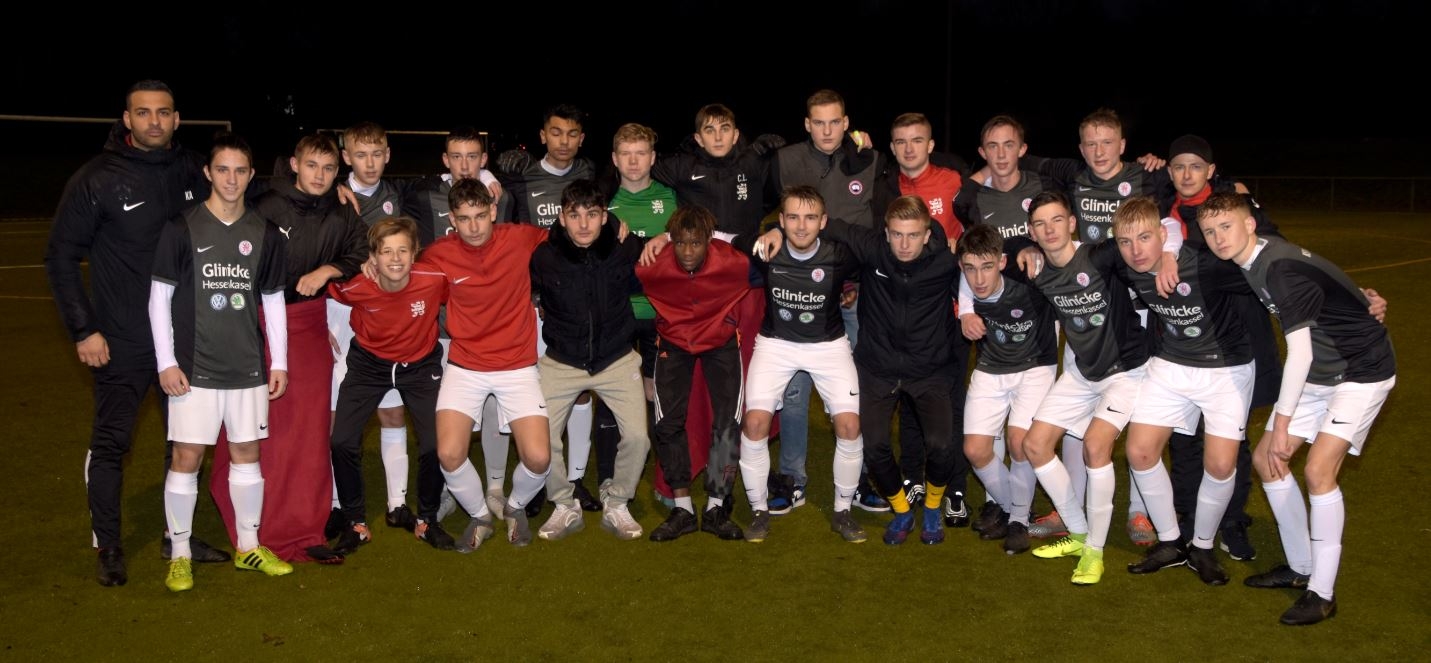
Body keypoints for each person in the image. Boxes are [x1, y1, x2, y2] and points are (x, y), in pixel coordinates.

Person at [45, 80, 229, 587]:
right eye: (143, 113)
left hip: (185, 339)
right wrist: (84, 328)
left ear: (176, 119)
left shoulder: (195, 170)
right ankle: (109, 545)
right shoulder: (97, 178)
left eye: (163, 112)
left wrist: (333, 190)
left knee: (185, 442)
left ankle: (177, 536)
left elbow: (247, 197)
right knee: (111, 443)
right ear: (127, 119)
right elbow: (60, 256)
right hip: (121, 339)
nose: (154, 121)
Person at [1199, 192, 1396, 626]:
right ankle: (1300, 566)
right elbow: (1326, 278)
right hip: (1321, 372)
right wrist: (1362, 297)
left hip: (1361, 370)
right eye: (1210, 231)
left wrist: (1283, 423)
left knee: (1318, 471)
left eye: (1226, 226)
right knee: (1267, 461)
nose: (1218, 238)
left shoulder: (1278, 268)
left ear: (1250, 224)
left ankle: (1322, 593)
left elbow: (1300, 354)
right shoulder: (1251, 258)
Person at [212, 133, 368, 562]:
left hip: (311, 326)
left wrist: (327, 270)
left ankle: (306, 526)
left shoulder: (342, 209)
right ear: (295, 165)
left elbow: (361, 251)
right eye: (311, 165)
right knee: (267, 430)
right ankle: (257, 525)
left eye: (329, 168)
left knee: (310, 433)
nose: (320, 175)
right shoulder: (264, 204)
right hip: (260, 327)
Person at [149, 133, 293, 591]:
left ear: (251, 175)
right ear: (208, 173)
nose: (231, 179)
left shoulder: (265, 233)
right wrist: (166, 362)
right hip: (194, 369)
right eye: (223, 169)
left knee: (247, 454)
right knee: (186, 456)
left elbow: (273, 301)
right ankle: (180, 552)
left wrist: (279, 362)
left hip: (247, 367)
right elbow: (159, 299)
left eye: (240, 170)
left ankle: (249, 547)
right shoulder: (181, 227)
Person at [1014, 191, 1180, 585]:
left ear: (1072, 223)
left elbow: (1155, 231)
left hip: (1126, 372)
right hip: (1083, 372)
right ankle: (1077, 532)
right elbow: (999, 250)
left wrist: (1170, 254)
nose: (1049, 230)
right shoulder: (1036, 271)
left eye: (1057, 220)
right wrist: (1020, 247)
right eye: (1040, 224)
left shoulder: (1099, 256)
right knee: (1034, 445)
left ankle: (1094, 551)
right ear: (1031, 231)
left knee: (1094, 446)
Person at [1111, 197, 1256, 586]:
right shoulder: (1126, 265)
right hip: (1172, 363)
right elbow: (1073, 252)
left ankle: (1203, 547)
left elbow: (1271, 275)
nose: (1135, 250)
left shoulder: (1205, 264)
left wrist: (1354, 298)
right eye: (1125, 242)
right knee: (1140, 452)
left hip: (1226, 368)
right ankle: (1171, 542)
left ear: (1163, 235)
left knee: (1221, 465)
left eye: (1145, 238)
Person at [811, 195, 963, 546]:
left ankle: (932, 509)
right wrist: (776, 230)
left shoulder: (946, 260)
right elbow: (825, 223)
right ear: (885, 232)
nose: (904, 244)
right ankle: (902, 511)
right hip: (877, 368)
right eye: (896, 234)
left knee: (941, 445)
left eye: (913, 235)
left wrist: (1025, 252)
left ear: (928, 234)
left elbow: (992, 253)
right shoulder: (873, 249)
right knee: (875, 445)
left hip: (928, 370)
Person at [420, 179, 553, 549]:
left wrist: (616, 227)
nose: (474, 226)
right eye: (464, 219)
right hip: (465, 364)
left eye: (480, 215)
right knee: (449, 453)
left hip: (517, 364)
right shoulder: (437, 254)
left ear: (493, 211)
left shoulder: (521, 238)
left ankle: (514, 507)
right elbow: (401, 278)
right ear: (452, 219)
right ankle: (480, 514)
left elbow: (572, 238)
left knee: (539, 458)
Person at [770, 90, 879, 515]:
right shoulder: (786, 160)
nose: (828, 130)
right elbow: (767, 211)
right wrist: (771, 229)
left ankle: (862, 476)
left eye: (835, 122)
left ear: (847, 123)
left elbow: (876, 224)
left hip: (854, 293)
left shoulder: (869, 158)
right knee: (794, 392)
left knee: (857, 390)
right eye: (819, 122)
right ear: (807, 124)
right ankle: (792, 478)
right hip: (802, 291)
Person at [739, 186, 865, 544]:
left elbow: (877, 257)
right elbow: (726, 237)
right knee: (754, 423)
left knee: (849, 426)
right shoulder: (766, 249)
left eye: (810, 218)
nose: (801, 226)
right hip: (776, 345)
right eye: (792, 217)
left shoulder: (840, 255)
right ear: (781, 220)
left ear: (823, 222)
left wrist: (851, 287)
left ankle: (842, 511)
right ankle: (759, 511)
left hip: (828, 346)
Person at [530, 180, 650, 542]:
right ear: (562, 218)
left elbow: (661, 254)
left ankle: (618, 501)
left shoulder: (625, 246)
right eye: (574, 215)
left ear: (604, 217)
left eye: (592, 214)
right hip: (562, 361)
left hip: (616, 358)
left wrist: (657, 239)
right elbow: (531, 295)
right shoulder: (544, 256)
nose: (583, 224)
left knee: (638, 438)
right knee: (540, 439)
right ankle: (564, 503)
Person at [327, 217, 453, 553]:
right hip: (369, 365)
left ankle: (427, 520)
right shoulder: (358, 286)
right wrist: (323, 325)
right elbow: (325, 291)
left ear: (415, 254)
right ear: (373, 257)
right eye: (386, 252)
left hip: (420, 365)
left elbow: (460, 291)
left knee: (435, 443)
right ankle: (355, 523)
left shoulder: (433, 279)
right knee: (341, 441)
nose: (395, 259)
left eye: (402, 251)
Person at [638, 206, 754, 541]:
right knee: (667, 423)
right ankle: (683, 509)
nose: (688, 251)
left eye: (696, 243)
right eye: (681, 243)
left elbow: (771, 255)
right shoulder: (652, 264)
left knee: (727, 422)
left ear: (709, 241)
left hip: (720, 341)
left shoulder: (733, 262)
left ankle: (716, 505)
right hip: (673, 343)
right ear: (671, 240)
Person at [326, 122, 417, 534]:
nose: (370, 163)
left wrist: (486, 176)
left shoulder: (397, 194)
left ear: (388, 155)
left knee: (392, 409)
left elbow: (449, 183)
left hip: (386, 314)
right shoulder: (329, 194)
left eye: (377, 154)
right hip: (340, 313)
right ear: (346, 157)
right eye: (360, 155)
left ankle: (397, 503)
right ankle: (335, 504)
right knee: (338, 415)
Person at [956, 224, 1059, 555]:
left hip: (1035, 366)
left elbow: (1051, 251)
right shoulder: (966, 287)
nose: (979, 279)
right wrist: (965, 313)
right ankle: (1014, 508)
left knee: (1018, 442)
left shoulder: (1028, 277)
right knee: (975, 450)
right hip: (991, 366)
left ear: (1002, 262)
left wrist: (1027, 247)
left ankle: (1016, 522)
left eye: (987, 267)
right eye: (970, 269)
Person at [591, 123, 677, 510]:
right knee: (612, 394)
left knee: (659, 394)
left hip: (661, 312)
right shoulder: (603, 201)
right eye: (626, 154)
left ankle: (665, 478)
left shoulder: (671, 196)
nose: (633, 161)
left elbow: (690, 239)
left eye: (641, 153)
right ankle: (607, 478)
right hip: (617, 313)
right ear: (614, 158)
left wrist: (667, 237)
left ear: (653, 157)